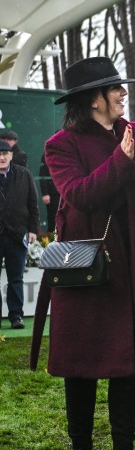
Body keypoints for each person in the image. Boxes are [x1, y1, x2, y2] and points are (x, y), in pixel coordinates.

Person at [34, 56, 135, 450]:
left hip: (134, 270)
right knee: (81, 373)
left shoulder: (132, 131)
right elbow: (80, 196)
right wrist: (123, 159)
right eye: (114, 87)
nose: (122, 93)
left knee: (125, 370)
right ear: (92, 99)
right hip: (86, 274)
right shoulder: (61, 144)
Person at [0, 140, 39, 329]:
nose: (2, 157)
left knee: (16, 278)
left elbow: (33, 204)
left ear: (11, 156)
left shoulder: (24, 174)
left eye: (5, 153)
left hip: (16, 234)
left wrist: (33, 229)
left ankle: (16, 316)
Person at [38, 153, 60, 239]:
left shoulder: (69, 153)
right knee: (53, 220)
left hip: (67, 194)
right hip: (53, 195)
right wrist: (45, 193)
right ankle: (53, 243)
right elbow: (43, 175)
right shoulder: (47, 154)